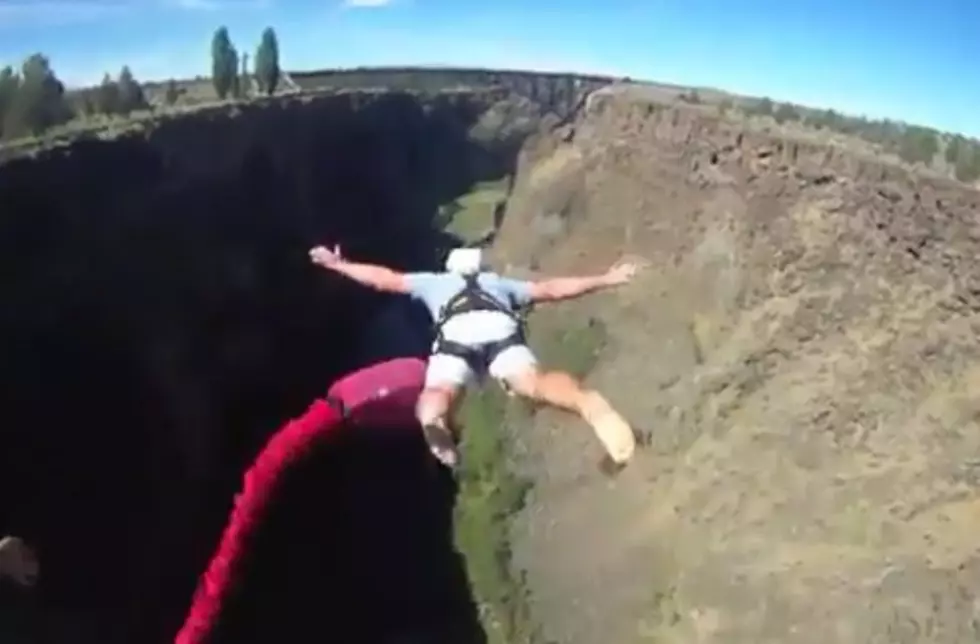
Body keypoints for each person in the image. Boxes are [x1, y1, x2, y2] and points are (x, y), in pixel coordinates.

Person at [309, 244, 642, 472]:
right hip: (500, 329)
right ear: (480, 267)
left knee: (439, 392)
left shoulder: (433, 282)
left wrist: (339, 265)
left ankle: (434, 422)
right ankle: (586, 403)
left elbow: (383, 279)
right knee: (533, 383)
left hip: (456, 334)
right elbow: (552, 289)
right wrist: (606, 278)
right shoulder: (498, 283)